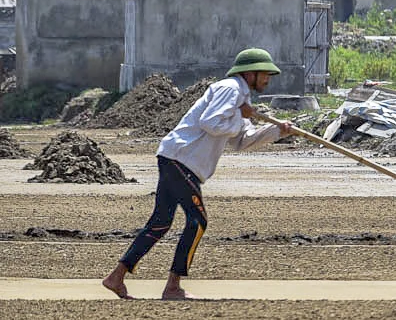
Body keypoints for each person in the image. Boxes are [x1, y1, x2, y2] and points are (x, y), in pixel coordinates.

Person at [101, 49, 290, 300]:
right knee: (197, 221)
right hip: (181, 159)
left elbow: (241, 141)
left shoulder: (241, 99)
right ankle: (173, 287)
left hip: (176, 159)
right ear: (250, 73)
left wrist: (277, 132)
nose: (268, 80)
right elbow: (211, 123)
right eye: (265, 74)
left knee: (160, 223)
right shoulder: (230, 89)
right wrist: (239, 115)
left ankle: (116, 277)